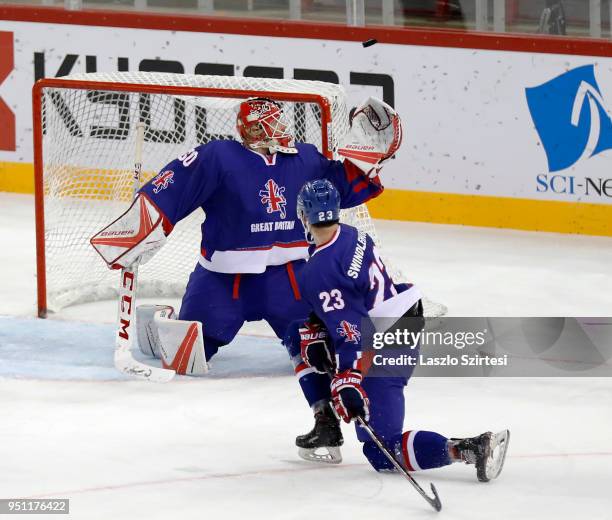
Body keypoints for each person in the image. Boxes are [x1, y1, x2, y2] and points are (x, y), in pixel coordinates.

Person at [90, 96, 402, 371]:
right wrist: (137, 231)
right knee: (185, 359)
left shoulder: (303, 158)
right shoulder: (218, 157)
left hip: (289, 279)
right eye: (268, 123)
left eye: (278, 120)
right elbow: (173, 187)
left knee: (323, 355)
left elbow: (342, 186)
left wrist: (372, 157)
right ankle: (159, 322)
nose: (278, 128)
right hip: (222, 282)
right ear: (250, 130)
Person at [283, 179, 510, 481]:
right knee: (298, 334)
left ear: (304, 215)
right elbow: (351, 296)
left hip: (385, 343)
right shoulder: (353, 235)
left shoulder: (318, 269)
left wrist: (348, 380)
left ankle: (467, 449)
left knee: (382, 451)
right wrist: (315, 327)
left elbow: (351, 332)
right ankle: (326, 422)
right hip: (404, 321)